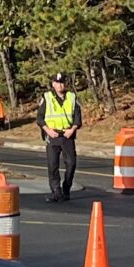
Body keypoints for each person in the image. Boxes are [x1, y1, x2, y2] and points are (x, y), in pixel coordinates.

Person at [39, 72, 83, 203]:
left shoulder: (72, 97)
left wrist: (72, 129)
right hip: (52, 135)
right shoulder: (47, 98)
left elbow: (77, 117)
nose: (60, 85)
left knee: (71, 164)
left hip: (67, 135)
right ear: (53, 84)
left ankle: (66, 189)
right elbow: (40, 118)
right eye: (57, 83)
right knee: (53, 165)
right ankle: (56, 191)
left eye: (62, 82)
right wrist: (48, 130)